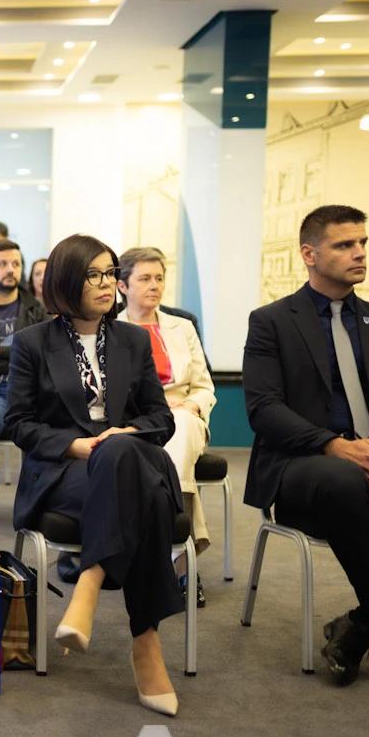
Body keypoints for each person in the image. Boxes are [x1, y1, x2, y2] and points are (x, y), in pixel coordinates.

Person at [243, 204, 369, 699]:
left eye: (363, 243)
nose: (360, 253)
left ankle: (358, 627)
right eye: (345, 244)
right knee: (345, 480)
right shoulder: (271, 322)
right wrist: (334, 445)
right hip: (304, 464)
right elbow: (264, 410)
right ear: (309, 254)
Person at [5, 233, 184, 716]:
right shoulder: (32, 343)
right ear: (67, 281)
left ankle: (90, 579)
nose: (107, 283)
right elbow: (18, 423)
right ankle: (146, 645)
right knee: (143, 492)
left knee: (121, 451)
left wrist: (125, 434)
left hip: (130, 459)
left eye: (110, 273)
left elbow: (160, 418)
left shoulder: (133, 339)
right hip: (67, 470)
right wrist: (77, 445)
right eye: (94, 275)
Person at [116, 247, 215, 607]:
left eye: (159, 278)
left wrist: (188, 405)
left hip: (183, 415)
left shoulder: (182, 327)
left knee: (182, 425)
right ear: (123, 285)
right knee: (170, 443)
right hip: (136, 421)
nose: (154, 285)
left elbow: (204, 387)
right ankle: (182, 561)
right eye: (144, 278)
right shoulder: (110, 329)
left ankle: (166, 556)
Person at [0, 239, 47, 444]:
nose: (11, 270)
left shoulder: (38, 311)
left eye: (16, 264)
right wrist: (18, 357)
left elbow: (41, 355)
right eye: (2, 264)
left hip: (33, 391)